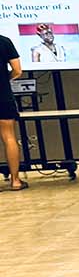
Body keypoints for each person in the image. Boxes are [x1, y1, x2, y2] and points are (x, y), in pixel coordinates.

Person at [0, 33, 24, 191]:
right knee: (9, 137)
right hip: (3, 95)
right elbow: (17, 70)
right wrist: (4, 78)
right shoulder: (4, 41)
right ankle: (15, 181)